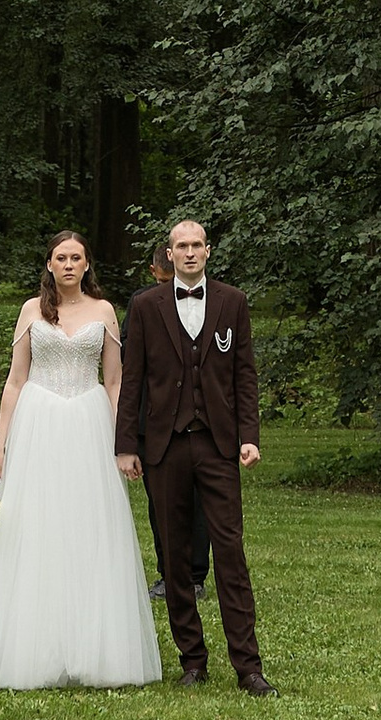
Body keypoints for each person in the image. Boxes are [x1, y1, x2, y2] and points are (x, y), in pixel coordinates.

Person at [0, 230, 161, 691]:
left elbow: (116, 382)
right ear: (51, 264)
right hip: (38, 424)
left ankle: (89, 645)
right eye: (62, 257)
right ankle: (27, 644)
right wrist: (0, 448)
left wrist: (125, 442)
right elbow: (15, 382)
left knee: (88, 528)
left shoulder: (104, 312)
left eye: (78, 257)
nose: (70, 264)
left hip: (88, 424)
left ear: (87, 264)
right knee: (34, 529)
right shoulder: (31, 310)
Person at [115, 217, 274, 695]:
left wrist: (249, 434)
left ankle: (248, 666)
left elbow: (244, 373)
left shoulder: (233, 302)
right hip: (163, 445)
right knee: (175, 555)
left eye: (196, 245)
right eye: (180, 246)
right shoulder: (145, 306)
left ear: (208, 251)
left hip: (218, 443)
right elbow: (132, 379)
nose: (188, 253)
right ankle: (193, 660)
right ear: (169, 253)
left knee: (230, 550)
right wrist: (126, 445)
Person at [143, 234, 214, 610]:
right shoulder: (143, 305)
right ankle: (168, 573)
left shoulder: (222, 302)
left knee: (200, 502)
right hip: (156, 422)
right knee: (162, 505)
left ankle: (196, 575)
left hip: (202, 424)